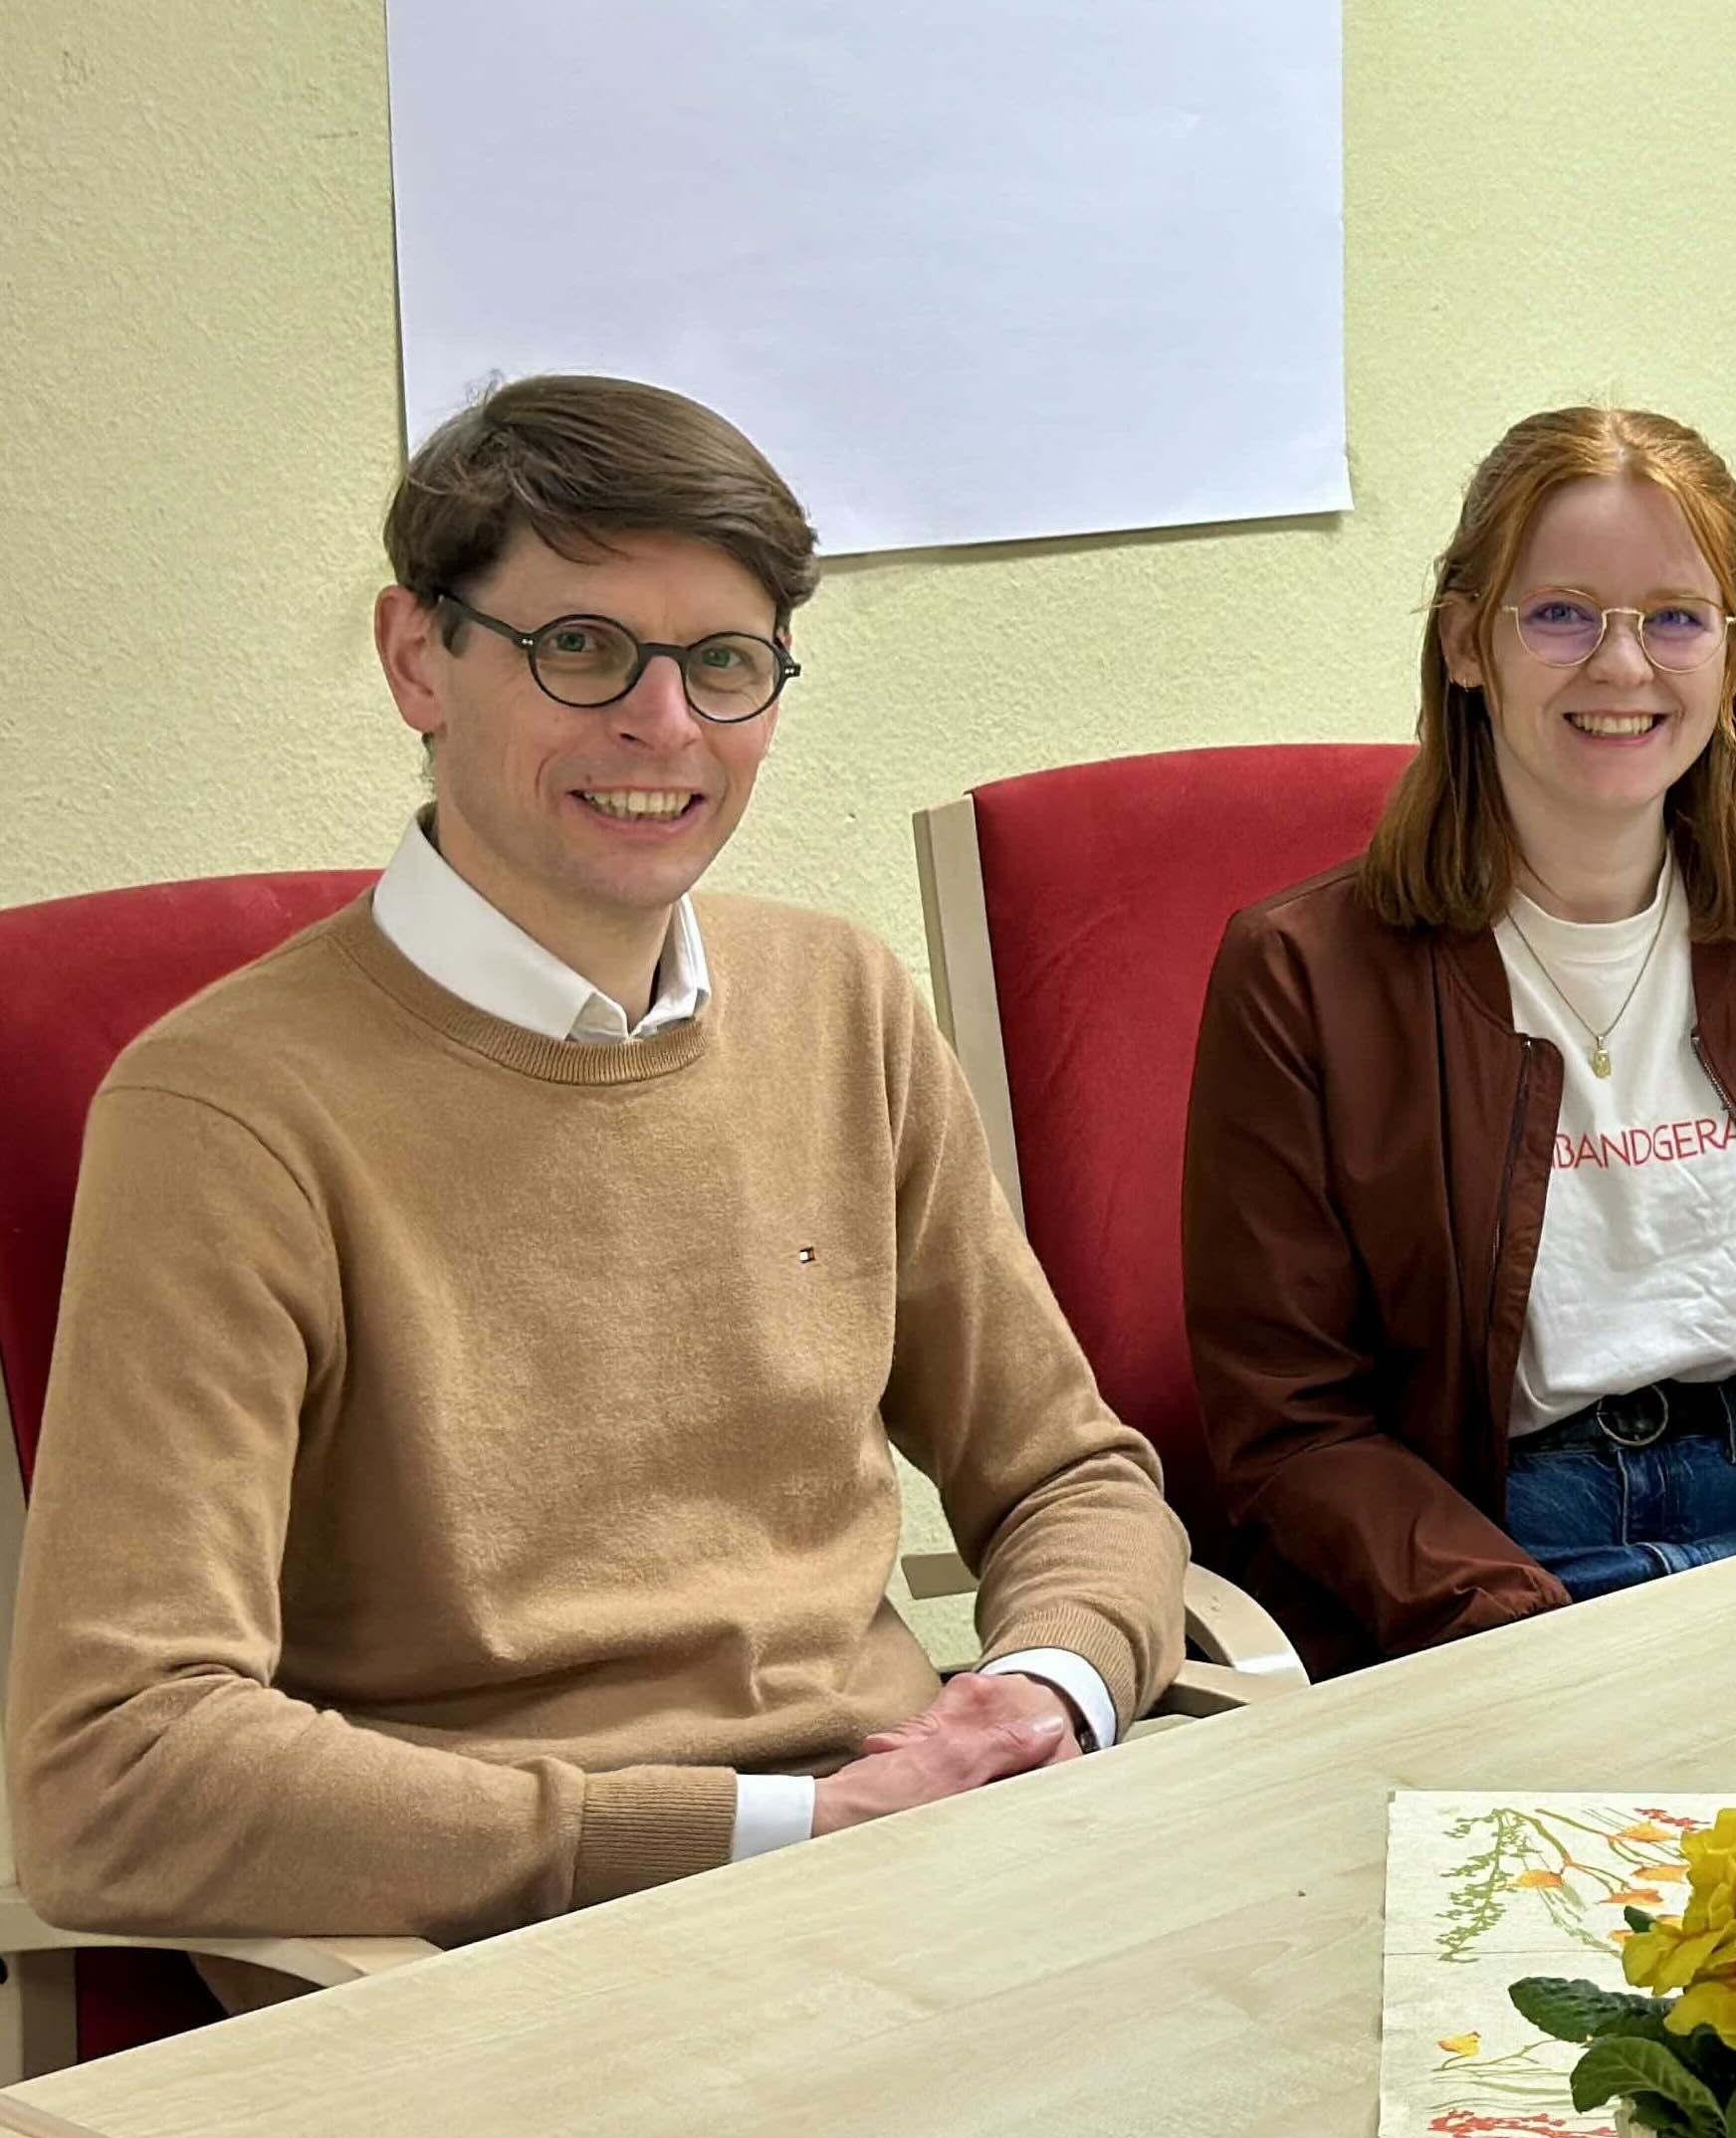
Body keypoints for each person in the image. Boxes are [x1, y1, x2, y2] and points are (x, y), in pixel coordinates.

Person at [6, 375, 1190, 1956]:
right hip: (488, 1947)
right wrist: (773, 1828)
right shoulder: (224, 1112)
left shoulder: (840, 999)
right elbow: (114, 1770)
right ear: (417, 657)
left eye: (726, 661)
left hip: (913, 1861)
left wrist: (1040, 1690)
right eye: (580, 646)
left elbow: (1070, 1477)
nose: (665, 724)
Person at [1184, 405, 1736, 1671]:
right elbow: (1293, 1425)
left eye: (1677, 618)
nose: (1624, 666)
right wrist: (1516, 1639)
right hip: (1483, 1576)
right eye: (1562, 614)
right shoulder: (1300, 976)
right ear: (1467, 643)